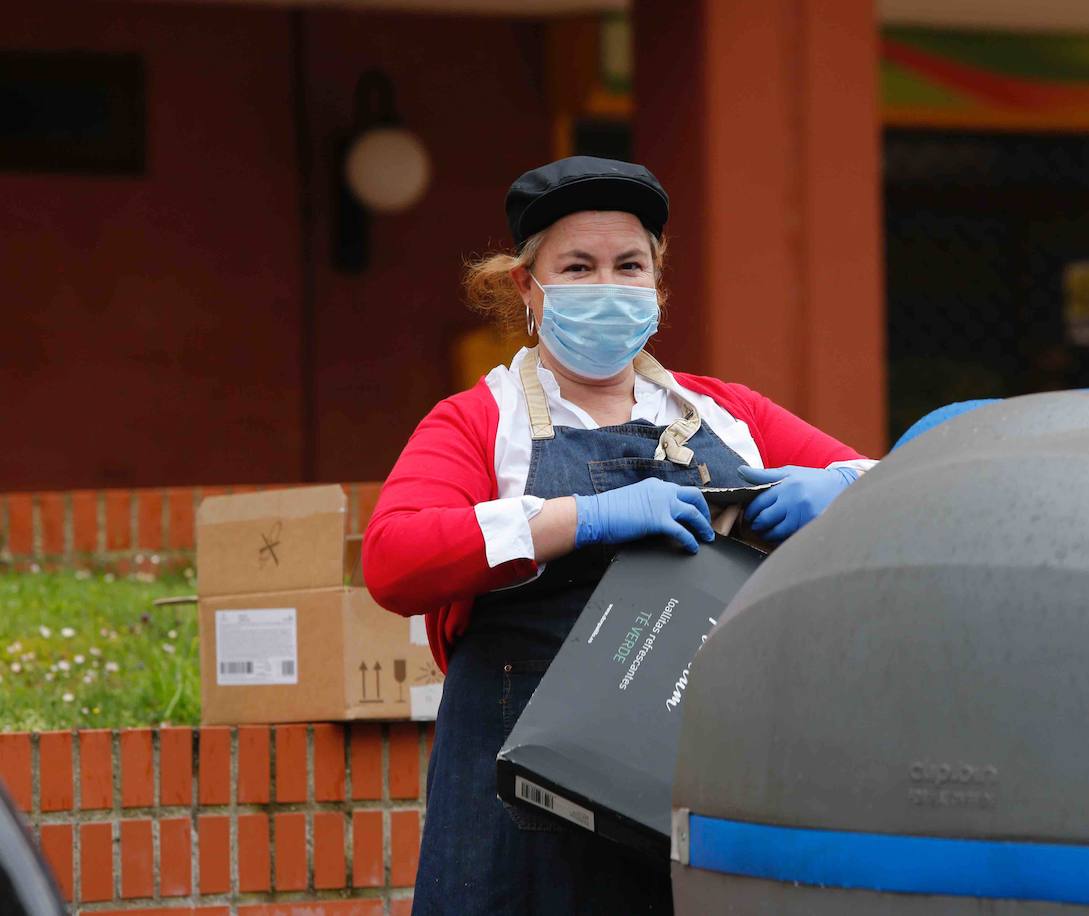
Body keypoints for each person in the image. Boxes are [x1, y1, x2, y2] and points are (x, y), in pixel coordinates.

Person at [362, 156, 876, 915]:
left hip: (697, 783)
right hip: (524, 819)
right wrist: (584, 518)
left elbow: (905, 486)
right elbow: (394, 559)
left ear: (658, 286)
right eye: (578, 266)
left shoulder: (726, 412)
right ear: (526, 288)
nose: (608, 284)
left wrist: (840, 491)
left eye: (628, 265)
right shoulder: (480, 422)